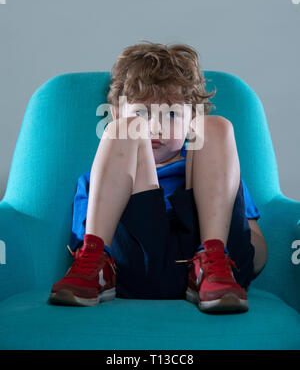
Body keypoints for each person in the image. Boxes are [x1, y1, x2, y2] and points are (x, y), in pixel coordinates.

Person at [48, 41, 268, 313]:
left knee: (216, 127)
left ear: (190, 120)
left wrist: (240, 256)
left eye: (172, 114)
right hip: (137, 266)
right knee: (124, 132)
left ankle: (212, 257)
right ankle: (97, 265)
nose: (155, 127)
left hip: (219, 271)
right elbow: (79, 239)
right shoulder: (99, 175)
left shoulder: (216, 168)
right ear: (115, 114)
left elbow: (256, 249)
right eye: (140, 113)